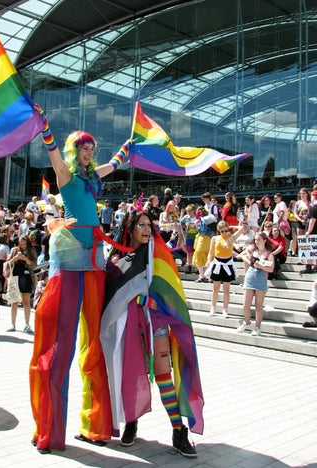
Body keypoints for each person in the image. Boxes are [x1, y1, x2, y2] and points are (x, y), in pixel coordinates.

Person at [29, 103, 131, 452]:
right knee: (63, 344)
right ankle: (49, 430)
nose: (88, 153)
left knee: (95, 341)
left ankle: (96, 426)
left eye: (91, 149)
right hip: (70, 259)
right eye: (83, 149)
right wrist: (45, 127)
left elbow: (114, 165)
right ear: (75, 152)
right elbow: (54, 153)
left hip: (95, 261)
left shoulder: (90, 178)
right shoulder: (67, 177)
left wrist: (128, 147)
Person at [100, 210, 204, 457]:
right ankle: (131, 422)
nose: (147, 229)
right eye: (141, 225)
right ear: (129, 228)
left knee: (163, 375)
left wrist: (151, 301)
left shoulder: (157, 255)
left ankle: (179, 431)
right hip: (126, 326)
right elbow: (109, 295)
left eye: (149, 225)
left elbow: (167, 289)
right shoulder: (115, 259)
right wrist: (134, 299)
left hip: (155, 325)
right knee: (130, 374)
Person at [236, 232, 275, 336]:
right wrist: (246, 258)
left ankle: (257, 327)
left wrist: (261, 266)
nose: (257, 242)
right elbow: (243, 255)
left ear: (264, 240)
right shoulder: (253, 250)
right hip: (250, 276)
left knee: (258, 305)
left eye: (259, 240)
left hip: (261, 277)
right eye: (256, 240)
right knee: (245, 304)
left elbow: (271, 269)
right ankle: (247, 322)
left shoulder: (268, 254)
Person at [205, 221, 243, 317]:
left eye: (226, 230)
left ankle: (225, 309)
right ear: (219, 231)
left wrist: (230, 226)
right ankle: (213, 308)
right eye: (222, 231)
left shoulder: (231, 238)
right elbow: (211, 252)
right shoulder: (215, 238)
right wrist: (209, 260)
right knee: (215, 288)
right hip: (218, 263)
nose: (224, 233)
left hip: (228, 263)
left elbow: (242, 228)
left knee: (226, 289)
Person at [5, 235, 37, 333]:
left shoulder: (32, 251)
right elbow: (7, 264)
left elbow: (35, 265)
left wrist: (25, 259)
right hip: (15, 277)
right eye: (21, 244)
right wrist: (15, 258)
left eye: (24, 244)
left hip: (27, 277)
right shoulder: (14, 250)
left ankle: (27, 324)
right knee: (14, 301)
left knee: (26, 302)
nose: (22, 246)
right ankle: (12, 323)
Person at [193, 206, 216, 282]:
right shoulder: (211, 218)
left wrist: (197, 225)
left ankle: (203, 275)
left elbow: (202, 231)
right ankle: (204, 275)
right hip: (208, 238)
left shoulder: (204, 219)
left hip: (204, 238)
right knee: (207, 256)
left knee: (200, 254)